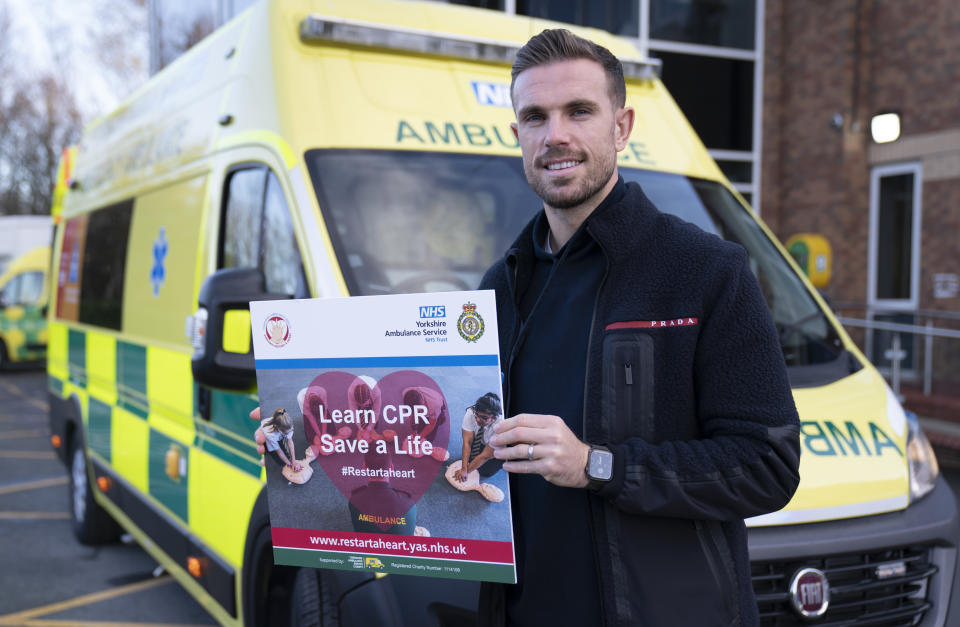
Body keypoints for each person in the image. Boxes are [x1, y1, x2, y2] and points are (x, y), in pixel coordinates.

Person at [473, 28, 801, 626]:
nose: (557, 135)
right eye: (536, 116)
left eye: (579, 111)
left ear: (621, 127)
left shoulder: (705, 271)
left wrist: (597, 464)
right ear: (516, 134)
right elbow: (464, 448)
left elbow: (766, 466)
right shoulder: (499, 287)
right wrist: (333, 438)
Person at [454, 392, 504, 482]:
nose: (477, 419)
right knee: (468, 460)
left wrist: (466, 471)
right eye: (476, 415)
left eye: (484, 418)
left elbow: (485, 456)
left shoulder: (501, 426)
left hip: (499, 448)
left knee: (485, 472)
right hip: (481, 440)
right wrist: (464, 468)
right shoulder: (471, 412)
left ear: (494, 418)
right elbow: (467, 443)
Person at [259, 408, 302, 473]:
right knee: (274, 453)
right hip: (264, 435)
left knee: (284, 445)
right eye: (287, 433)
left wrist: (293, 461)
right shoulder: (270, 435)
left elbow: (290, 442)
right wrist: (289, 464)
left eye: (291, 430)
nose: (290, 433)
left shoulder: (288, 424)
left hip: (277, 430)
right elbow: (279, 451)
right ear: (279, 430)